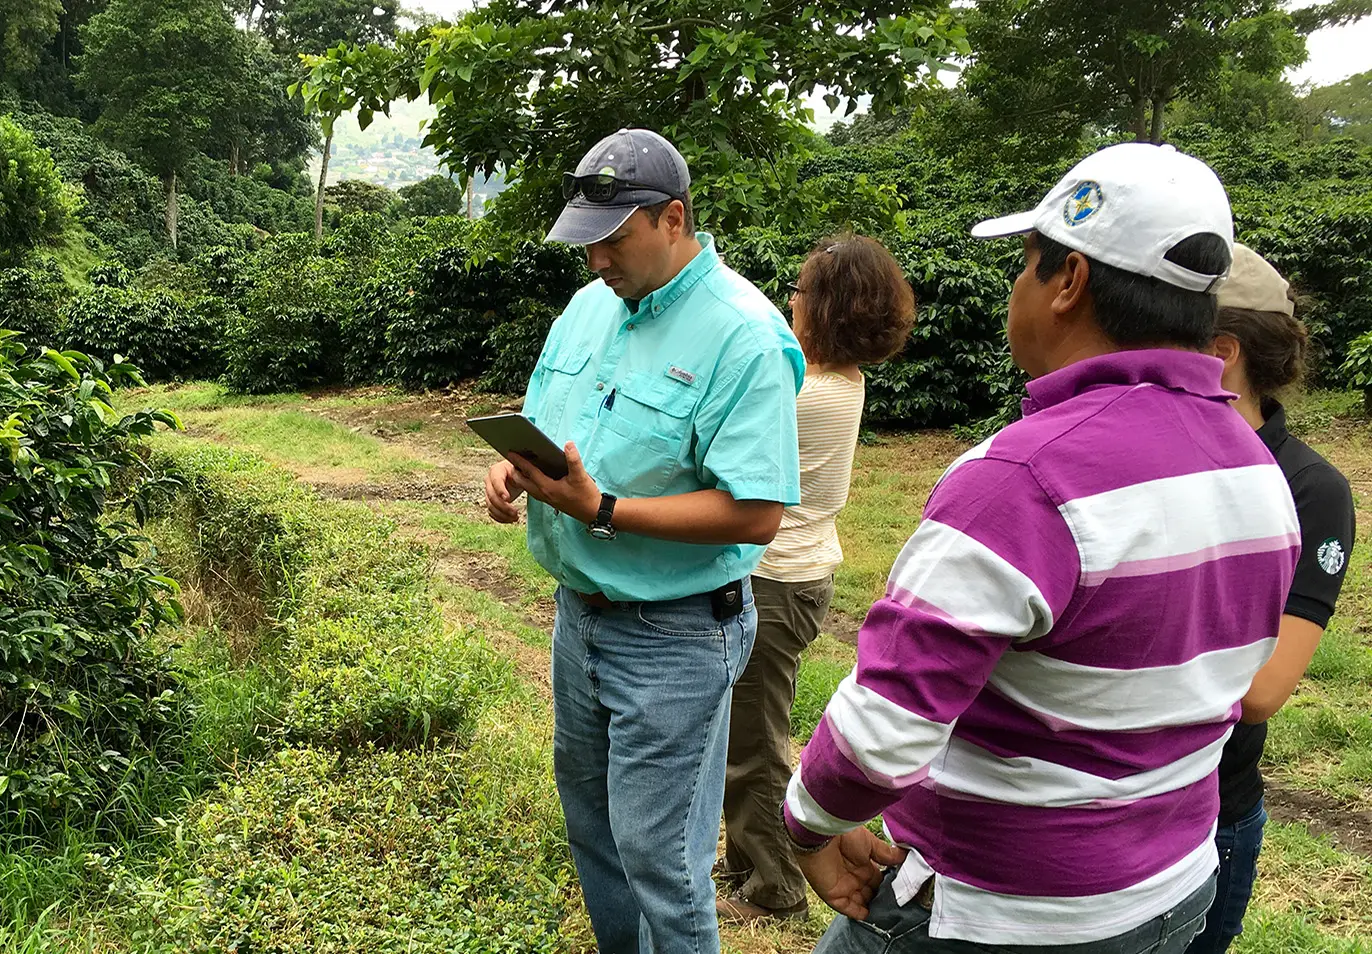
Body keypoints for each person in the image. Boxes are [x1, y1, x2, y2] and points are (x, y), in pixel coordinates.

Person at [780, 142, 1301, 953]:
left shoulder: (1021, 478)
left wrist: (810, 826)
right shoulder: (1257, 468)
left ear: (1070, 282)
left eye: (1027, 264)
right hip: (1169, 892)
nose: (1017, 287)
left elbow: (884, 727)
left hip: (1000, 912)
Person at [483, 127, 804, 954]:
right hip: (578, 617)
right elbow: (554, 428)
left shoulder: (744, 336)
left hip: (677, 633)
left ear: (673, 217)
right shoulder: (589, 308)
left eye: (614, 240)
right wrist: (517, 472)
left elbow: (756, 512)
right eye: (585, 243)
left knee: (661, 857)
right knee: (595, 831)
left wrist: (602, 509)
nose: (597, 262)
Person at [718, 234, 915, 923]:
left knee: (755, 743)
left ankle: (773, 887)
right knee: (746, 733)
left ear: (825, 308)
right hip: (790, 576)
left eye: (800, 293)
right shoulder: (829, 378)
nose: (790, 303)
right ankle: (748, 858)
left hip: (778, 582)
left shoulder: (808, 392)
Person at [1185, 245, 1357, 954]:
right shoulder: (1155, 457)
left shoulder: (1312, 490)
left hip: (1211, 810)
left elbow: (1261, 691)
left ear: (1222, 353)